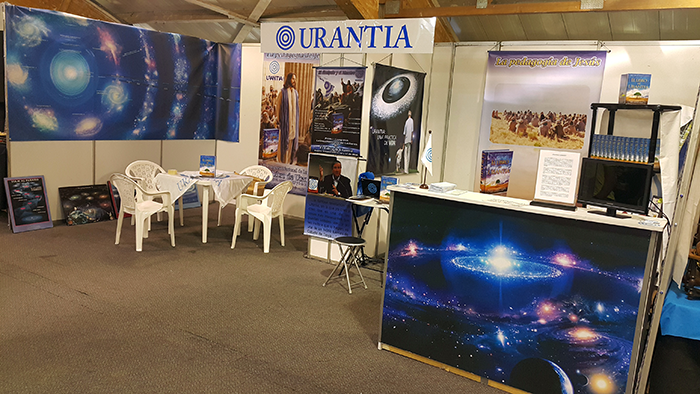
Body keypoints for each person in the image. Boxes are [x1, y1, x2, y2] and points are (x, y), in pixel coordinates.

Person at [276, 73, 299, 164]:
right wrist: (278, 120)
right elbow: (278, 106)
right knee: (283, 146)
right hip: (285, 124)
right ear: (289, 79)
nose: (294, 81)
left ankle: (289, 162)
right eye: (293, 78)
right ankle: (283, 163)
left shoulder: (295, 93)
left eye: (295, 79)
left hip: (293, 123)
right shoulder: (283, 92)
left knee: (291, 145)